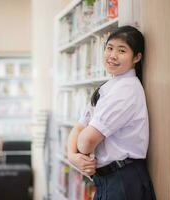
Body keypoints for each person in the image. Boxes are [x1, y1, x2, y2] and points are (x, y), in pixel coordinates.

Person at [67, 25, 156, 200]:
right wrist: (72, 157)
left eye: (122, 50)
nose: (112, 55)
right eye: (109, 48)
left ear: (137, 57)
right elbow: (77, 128)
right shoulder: (107, 87)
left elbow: (86, 141)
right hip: (109, 180)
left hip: (122, 180)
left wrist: (79, 150)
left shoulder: (126, 90)